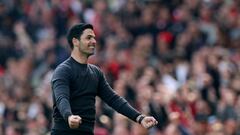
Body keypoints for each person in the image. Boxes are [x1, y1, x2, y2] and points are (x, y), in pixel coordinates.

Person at [51, 23, 158, 135]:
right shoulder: (63, 70)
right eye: (88, 38)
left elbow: (114, 99)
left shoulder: (96, 73)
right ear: (75, 41)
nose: (94, 41)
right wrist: (68, 116)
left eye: (94, 37)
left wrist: (140, 118)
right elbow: (61, 98)